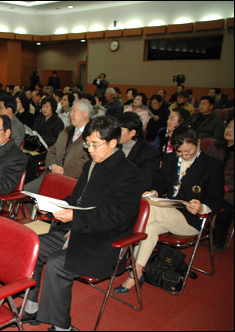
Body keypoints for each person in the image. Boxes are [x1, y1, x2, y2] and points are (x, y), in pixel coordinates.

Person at [22, 116, 143, 331]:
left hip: (105, 240)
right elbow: (77, 199)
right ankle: (30, 306)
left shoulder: (130, 174)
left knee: (58, 264)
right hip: (77, 230)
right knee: (33, 247)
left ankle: (61, 327)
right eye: (87, 144)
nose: (89, 150)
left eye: (95, 144)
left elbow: (116, 215)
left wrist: (75, 217)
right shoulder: (93, 164)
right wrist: (55, 206)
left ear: (113, 143)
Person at [115, 125, 224, 293]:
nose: (184, 156)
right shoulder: (171, 159)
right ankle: (136, 274)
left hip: (190, 218)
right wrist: (155, 191)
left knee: (147, 209)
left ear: (199, 143)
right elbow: (161, 184)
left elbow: (217, 199)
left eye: (189, 151)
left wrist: (202, 206)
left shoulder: (211, 165)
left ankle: (121, 254)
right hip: (165, 212)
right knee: (149, 228)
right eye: (180, 152)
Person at [23, 99, 93, 198]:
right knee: (27, 190)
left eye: (74, 111)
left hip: (71, 179)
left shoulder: (92, 135)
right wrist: (52, 165)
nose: (71, 115)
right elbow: (52, 151)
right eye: (70, 112)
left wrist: (61, 171)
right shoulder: (66, 131)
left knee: (51, 196)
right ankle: (36, 213)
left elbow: (85, 162)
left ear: (85, 113)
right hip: (52, 174)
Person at [206, 118, 234, 250]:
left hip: (229, 191)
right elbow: (206, 165)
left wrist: (221, 187)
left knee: (225, 204)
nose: (229, 130)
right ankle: (202, 232)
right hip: (212, 183)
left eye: (233, 128)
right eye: (228, 126)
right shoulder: (217, 145)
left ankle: (219, 239)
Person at [117, 111, 161, 190]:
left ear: (132, 132)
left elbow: (145, 182)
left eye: (120, 130)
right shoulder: (114, 147)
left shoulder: (149, 152)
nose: (116, 133)